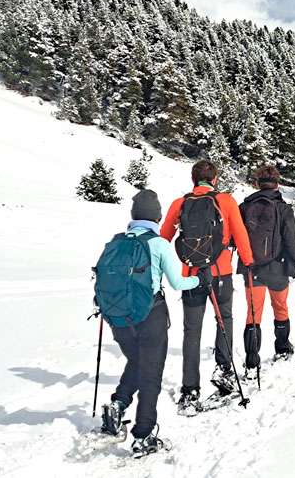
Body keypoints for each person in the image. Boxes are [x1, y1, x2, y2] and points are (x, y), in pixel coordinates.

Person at [98, 190, 206, 457]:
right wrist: (200, 280)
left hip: (119, 317)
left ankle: (119, 403)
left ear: (134, 216)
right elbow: (178, 282)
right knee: (151, 374)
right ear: (157, 216)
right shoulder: (158, 244)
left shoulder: (115, 241)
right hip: (151, 315)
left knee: (136, 361)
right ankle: (143, 435)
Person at [161, 160, 254, 415]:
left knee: (192, 331)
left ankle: (189, 390)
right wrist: (248, 262)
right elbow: (241, 234)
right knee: (224, 319)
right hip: (220, 272)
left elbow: (164, 238)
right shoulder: (226, 201)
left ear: (194, 180)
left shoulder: (180, 203)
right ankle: (224, 371)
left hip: (191, 275)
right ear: (214, 179)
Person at [238, 165, 295, 374]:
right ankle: (282, 347)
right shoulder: (283, 208)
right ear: (277, 184)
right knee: (280, 307)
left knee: (253, 313)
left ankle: (252, 361)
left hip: (251, 268)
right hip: (278, 268)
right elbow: (292, 240)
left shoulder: (244, 206)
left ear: (257, 184)